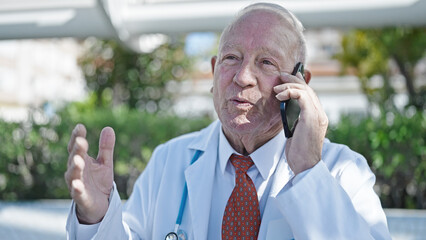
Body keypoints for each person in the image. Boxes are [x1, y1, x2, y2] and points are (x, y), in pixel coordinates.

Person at [65, 2, 392, 239]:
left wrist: (307, 171)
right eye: (231, 58)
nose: (243, 77)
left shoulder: (343, 170)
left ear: (301, 83)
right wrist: (96, 218)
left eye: (265, 62)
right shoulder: (169, 160)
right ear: (213, 70)